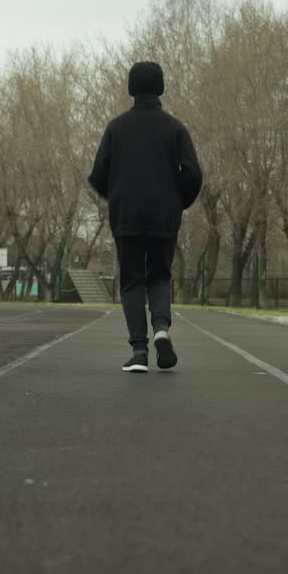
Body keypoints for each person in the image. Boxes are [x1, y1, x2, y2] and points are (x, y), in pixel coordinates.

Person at [88, 61, 203, 373]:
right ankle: (162, 329)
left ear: (131, 88)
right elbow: (193, 174)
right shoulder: (175, 128)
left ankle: (139, 352)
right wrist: (178, 201)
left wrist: (117, 197)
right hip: (164, 214)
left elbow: (97, 174)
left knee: (132, 280)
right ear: (161, 87)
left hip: (127, 215)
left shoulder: (116, 128)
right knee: (159, 275)